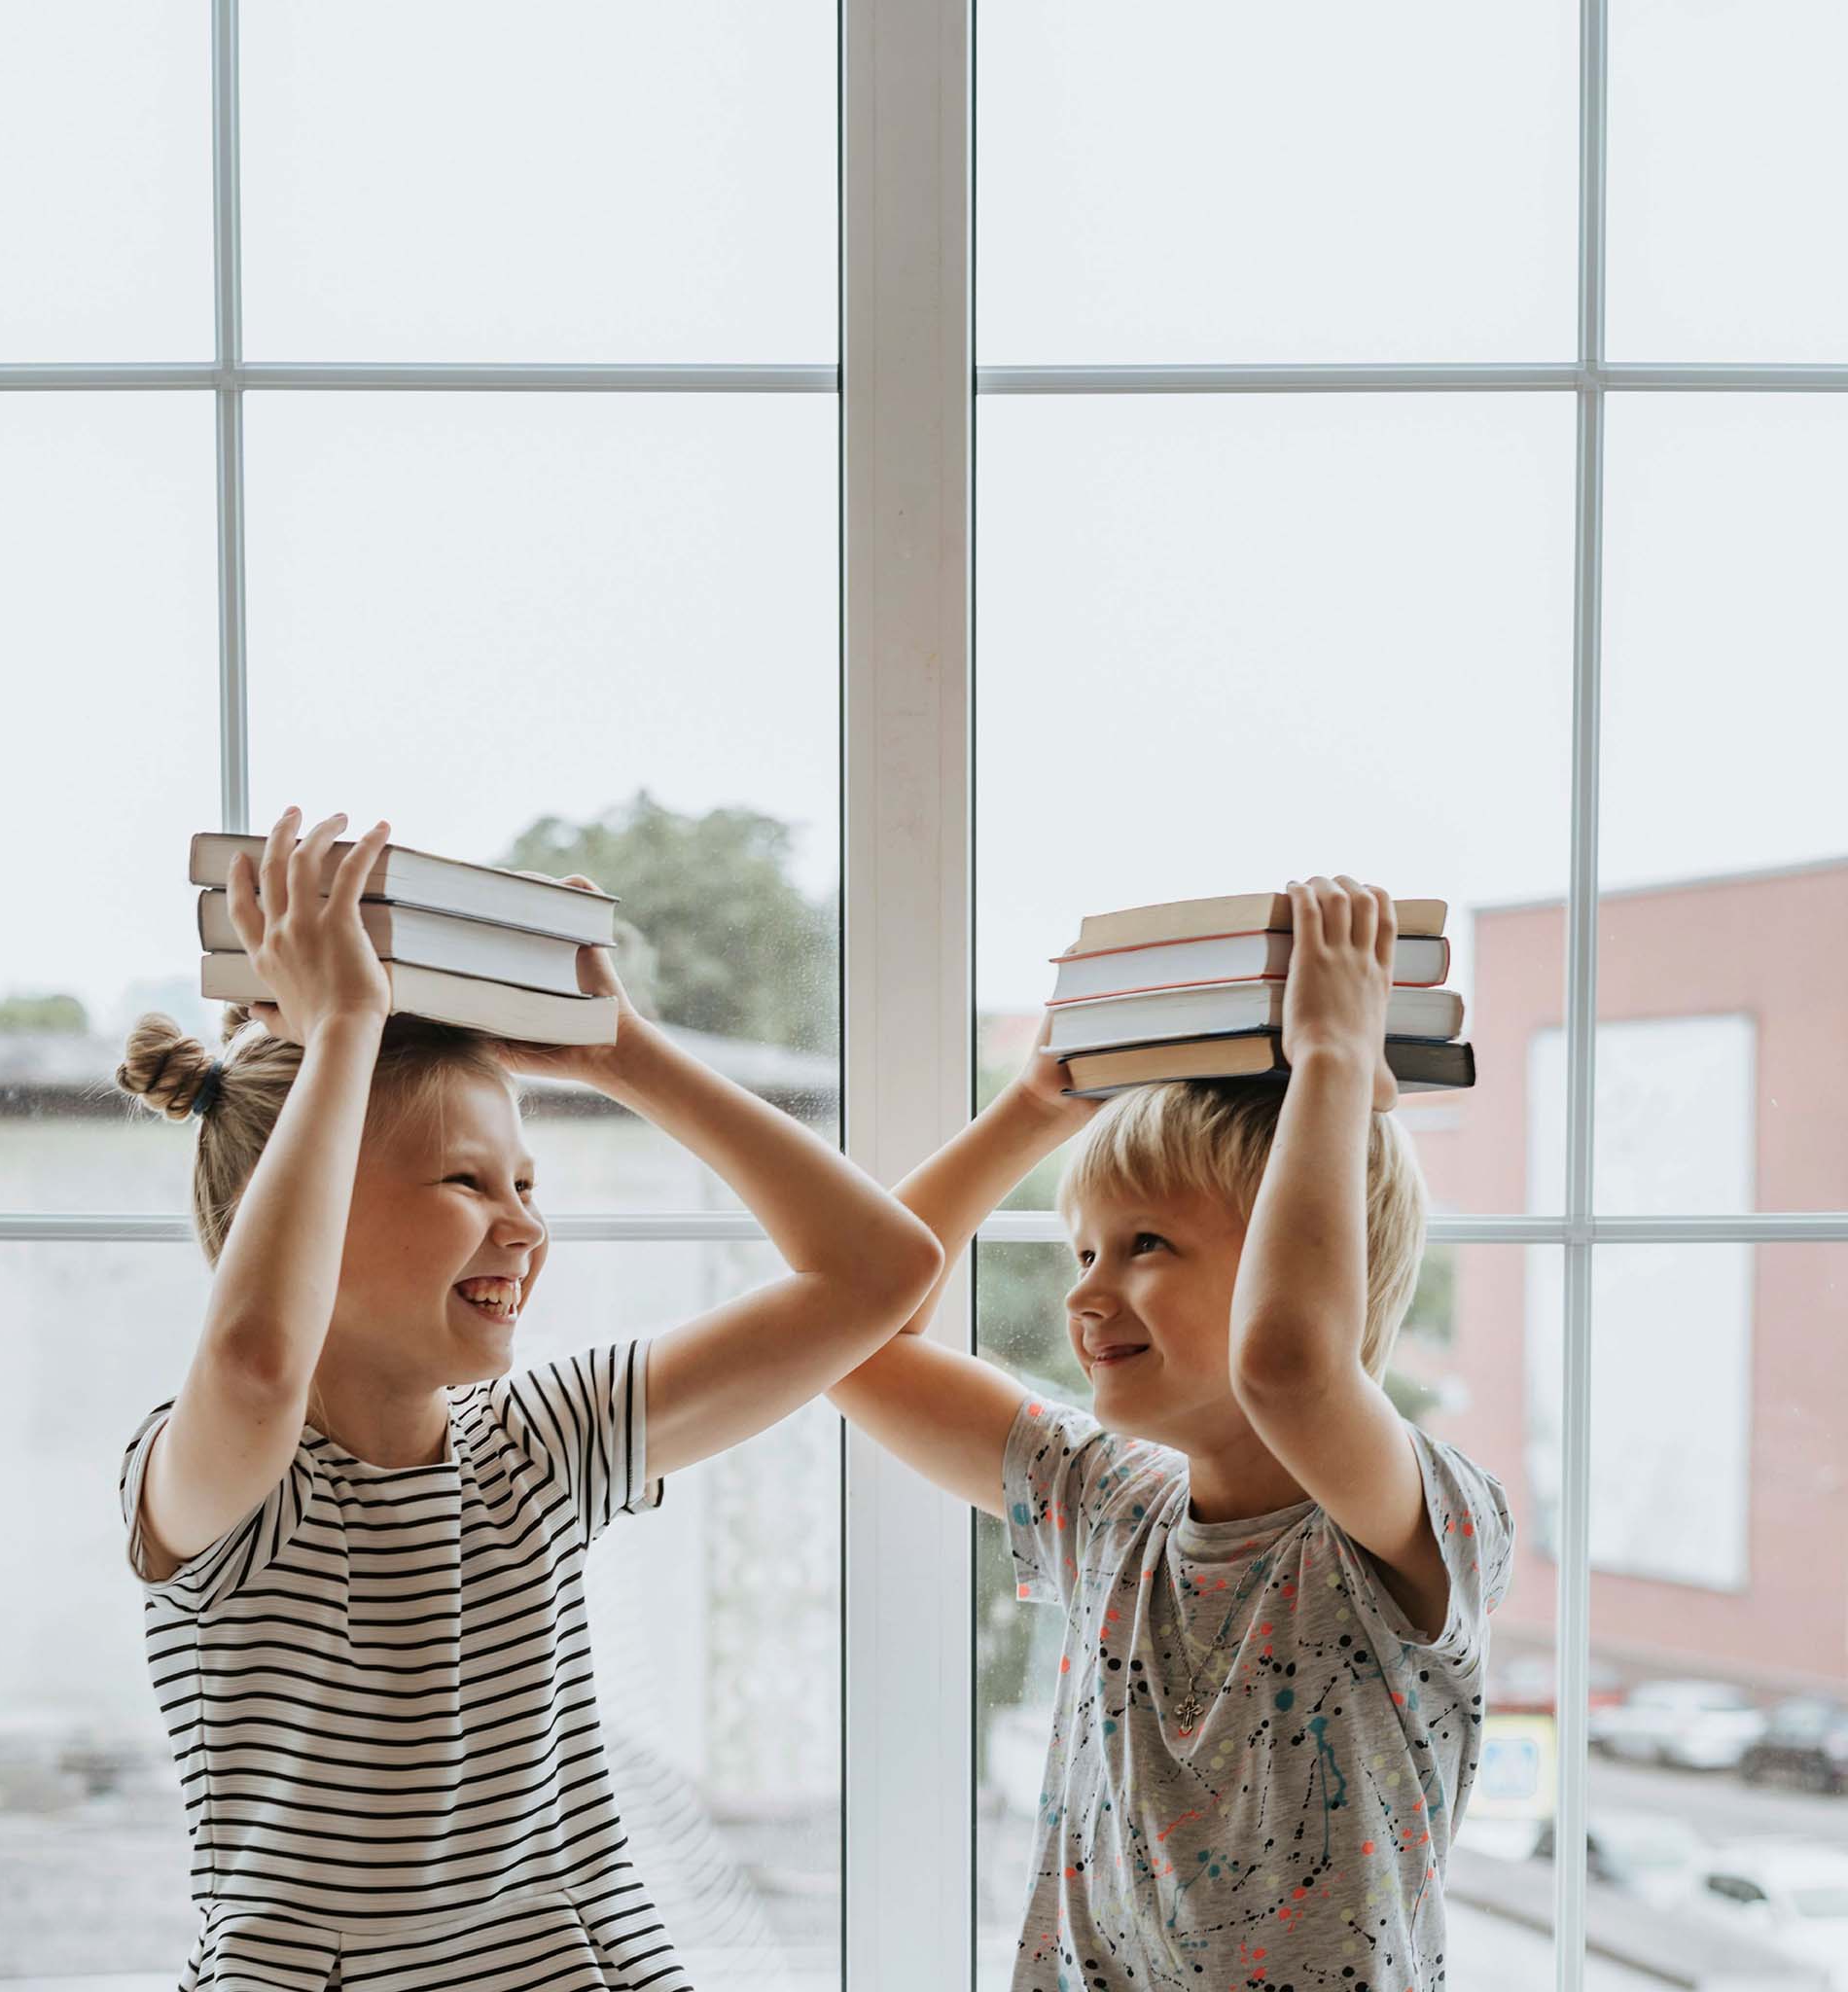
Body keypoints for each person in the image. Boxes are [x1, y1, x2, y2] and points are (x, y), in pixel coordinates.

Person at [111, 806, 942, 1991]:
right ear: (300, 1221)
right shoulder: (225, 1481)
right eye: (465, 1179)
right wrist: (347, 1024)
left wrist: (622, 1055)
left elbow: (880, 1272)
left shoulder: (545, 1441)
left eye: (527, 1182)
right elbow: (253, 1361)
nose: (524, 1223)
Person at [830, 874, 1514, 1992]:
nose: (1086, 1294)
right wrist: (1029, 1112)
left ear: (1306, 1266)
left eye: (1144, 1242)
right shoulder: (1104, 1500)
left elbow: (1288, 1368)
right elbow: (846, 1338)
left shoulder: (1410, 1516)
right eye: (1083, 1251)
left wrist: (1336, 1061)